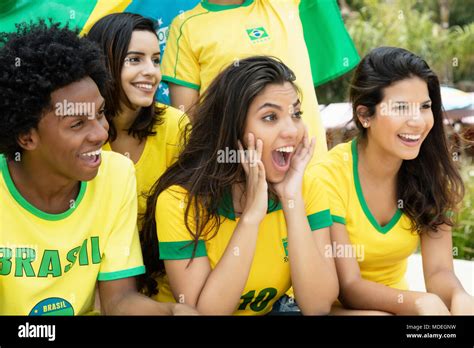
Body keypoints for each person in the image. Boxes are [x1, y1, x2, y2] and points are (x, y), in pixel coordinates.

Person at [0, 20, 196, 315]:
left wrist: (170, 313)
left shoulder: (116, 174)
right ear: (27, 136)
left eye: (101, 113)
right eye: (77, 123)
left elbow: (119, 300)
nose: (101, 134)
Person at [140, 56, 339, 315]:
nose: (292, 130)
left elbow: (318, 306)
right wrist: (251, 219)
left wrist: (292, 201)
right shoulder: (179, 201)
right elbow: (205, 313)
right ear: (232, 128)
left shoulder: (306, 188)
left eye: (296, 114)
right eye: (270, 117)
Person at [313, 47, 473, 315]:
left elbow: (439, 271)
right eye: (400, 107)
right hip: (336, 307)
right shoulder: (328, 176)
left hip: (398, 308)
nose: (417, 121)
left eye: (424, 107)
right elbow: (349, 286)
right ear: (365, 116)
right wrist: (419, 302)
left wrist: (459, 297)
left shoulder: (430, 172)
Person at [160, 0, 331, 164]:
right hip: (238, 178)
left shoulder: (281, 3)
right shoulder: (187, 27)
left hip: (312, 169)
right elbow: (189, 122)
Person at [87, 13, 188, 225]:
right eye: (134, 59)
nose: (151, 72)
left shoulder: (176, 125)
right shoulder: (78, 131)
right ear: (103, 63)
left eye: (156, 60)